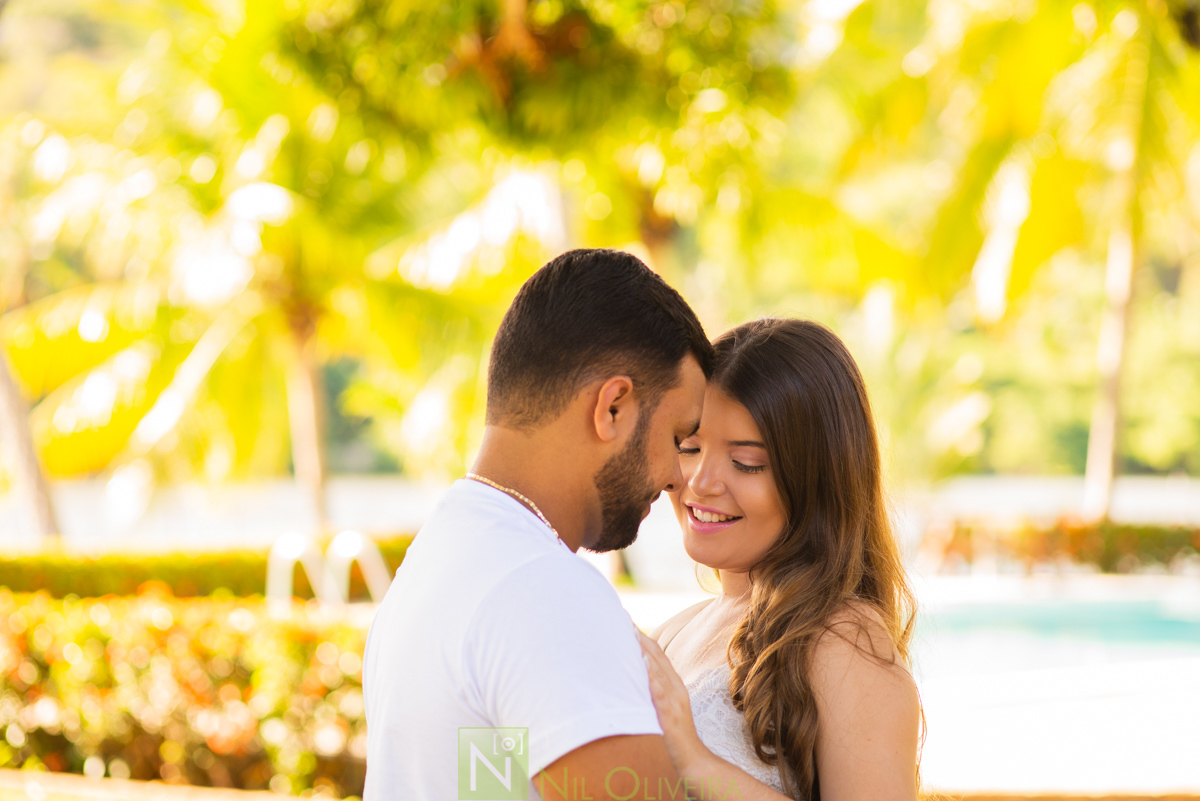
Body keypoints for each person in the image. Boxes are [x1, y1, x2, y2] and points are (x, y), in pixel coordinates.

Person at [362, 248, 714, 800]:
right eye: (678, 438)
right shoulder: (546, 593)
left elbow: (494, 790)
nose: (677, 477)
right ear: (613, 407)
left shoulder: (442, 559)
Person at [638, 318, 922, 801]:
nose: (700, 482)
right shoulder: (673, 634)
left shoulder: (843, 641)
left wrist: (694, 760)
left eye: (746, 462)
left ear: (816, 478)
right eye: (689, 446)